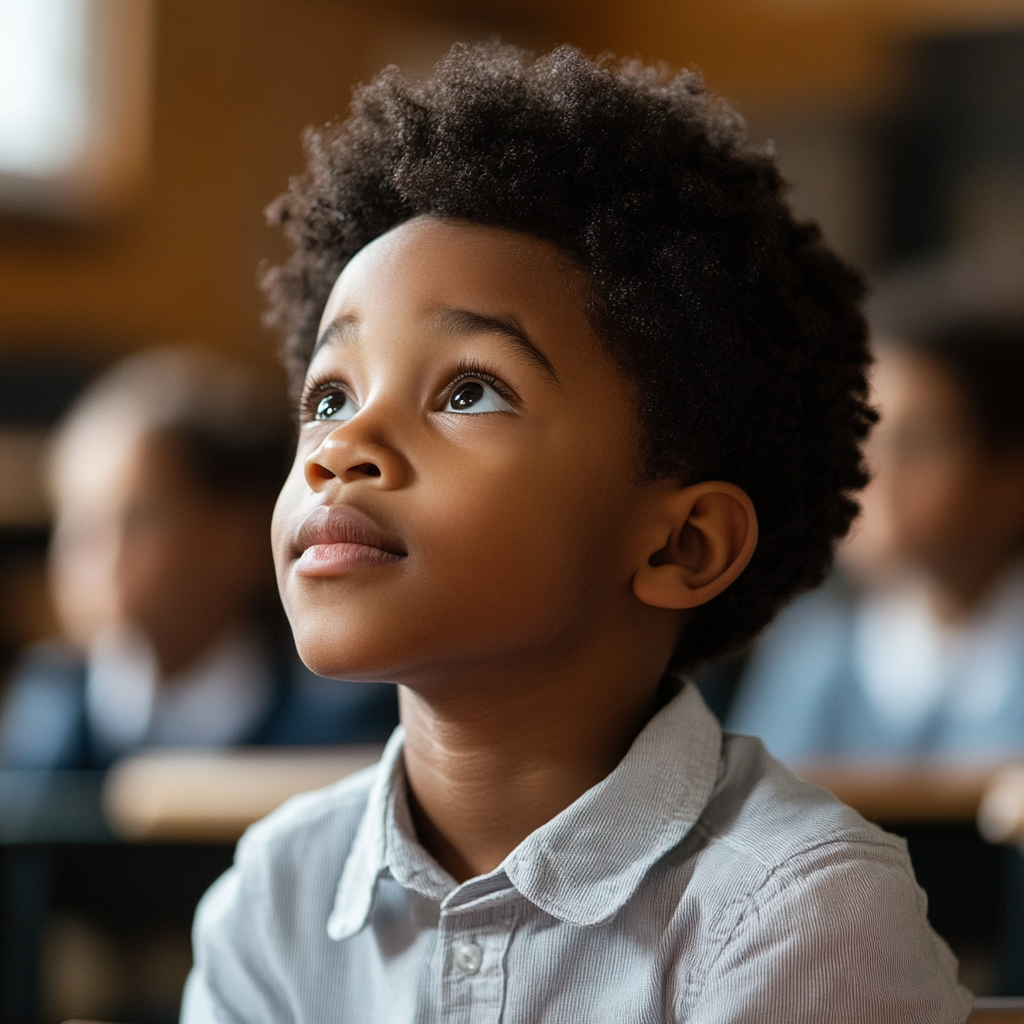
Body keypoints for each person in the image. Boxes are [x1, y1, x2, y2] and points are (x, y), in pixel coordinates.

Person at [183, 43, 970, 1023]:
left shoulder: (794, 908)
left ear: (680, 545)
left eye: (469, 390)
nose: (343, 447)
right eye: (330, 394)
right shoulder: (275, 896)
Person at [0, 347, 398, 769]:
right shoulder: (48, 713)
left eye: (138, 520)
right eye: (75, 521)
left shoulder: (333, 723)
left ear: (234, 540)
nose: (94, 556)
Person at [727, 322, 1024, 761]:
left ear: (1008, 475)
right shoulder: (813, 653)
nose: (868, 476)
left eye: (918, 444)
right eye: (857, 440)